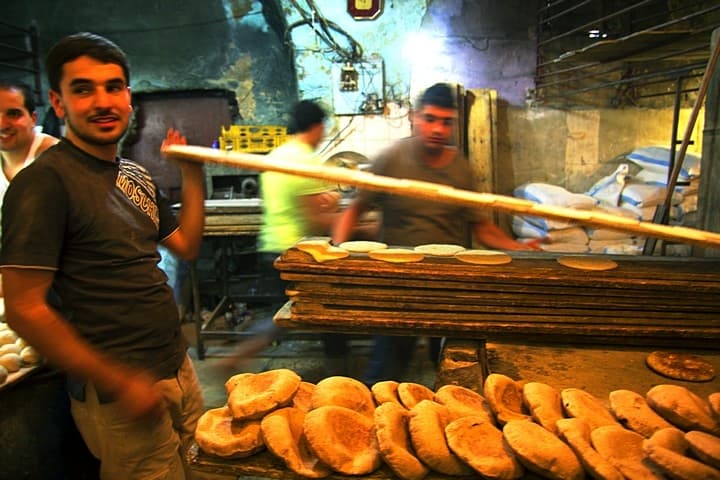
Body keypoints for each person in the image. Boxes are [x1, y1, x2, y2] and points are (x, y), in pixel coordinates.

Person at [0, 32, 206, 480]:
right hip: (120, 389)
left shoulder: (133, 174)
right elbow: (23, 307)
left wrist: (192, 175)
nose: (102, 101)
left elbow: (186, 245)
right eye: (82, 89)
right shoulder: (44, 183)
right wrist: (118, 382)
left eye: (113, 87)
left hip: (175, 365)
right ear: (58, 103)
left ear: (129, 97)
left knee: (200, 469)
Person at [332, 82, 538, 385]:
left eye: (445, 121)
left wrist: (515, 247)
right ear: (414, 117)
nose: (438, 128)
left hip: (447, 284)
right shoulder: (391, 159)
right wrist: (337, 251)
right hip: (398, 283)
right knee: (386, 368)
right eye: (430, 119)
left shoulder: (461, 170)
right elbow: (355, 209)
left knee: (455, 368)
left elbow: (480, 225)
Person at [221, 99, 373, 375]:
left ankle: (238, 355)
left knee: (285, 313)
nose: (324, 134)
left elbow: (297, 203)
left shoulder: (277, 155)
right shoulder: (305, 161)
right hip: (297, 252)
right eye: (323, 128)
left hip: (271, 245)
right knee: (329, 315)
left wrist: (327, 201)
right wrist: (358, 225)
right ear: (316, 127)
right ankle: (340, 377)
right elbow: (316, 219)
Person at [0, 79, 59, 296]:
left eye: (13, 114)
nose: (2, 124)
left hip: (50, 284)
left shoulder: (55, 159)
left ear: (33, 118)